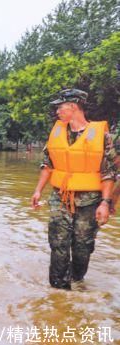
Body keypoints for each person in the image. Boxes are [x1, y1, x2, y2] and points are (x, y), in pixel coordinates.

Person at [30, 88, 116, 290]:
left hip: (90, 200)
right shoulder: (57, 132)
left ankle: (77, 283)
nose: (57, 112)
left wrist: (105, 202)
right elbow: (47, 165)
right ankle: (59, 293)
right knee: (58, 243)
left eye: (60, 107)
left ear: (74, 107)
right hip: (60, 196)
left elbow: (109, 173)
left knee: (82, 247)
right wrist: (37, 191)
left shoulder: (101, 136)